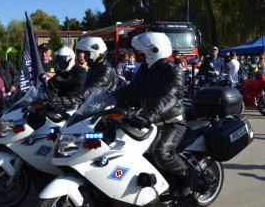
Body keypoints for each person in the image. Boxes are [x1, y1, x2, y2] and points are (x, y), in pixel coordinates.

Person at [113, 31, 195, 197]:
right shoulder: (145, 69)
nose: (138, 56)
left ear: (153, 52)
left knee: (160, 152)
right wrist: (107, 100)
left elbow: (169, 97)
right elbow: (131, 89)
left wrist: (148, 116)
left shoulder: (174, 72)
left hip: (172, 122)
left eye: (141, 52)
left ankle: (188, 175)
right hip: (151, 121)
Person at [60, 37, 118, 105]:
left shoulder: (106, 70)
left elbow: (92, 92)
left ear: (96, 53)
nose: (84, 57)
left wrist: (66, 100)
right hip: (93, 106)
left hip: (103, 108)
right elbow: (84, 88)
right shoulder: (95, 67)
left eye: (87, 54)